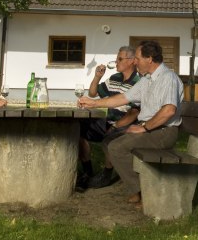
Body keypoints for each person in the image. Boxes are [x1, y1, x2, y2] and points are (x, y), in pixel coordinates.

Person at [77, 40, 183, 206]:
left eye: (138, 58)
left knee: (116, 147)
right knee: (108, 141)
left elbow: (169, 110)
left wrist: (144, 127)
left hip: (163, 131)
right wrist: (93, 103)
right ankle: (136, 185)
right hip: (151, 129)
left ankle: (143, 191)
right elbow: (123, 98)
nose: (135, 62)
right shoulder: (147, 79)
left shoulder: (167, 78)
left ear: (150, 59)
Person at [77, 46, 141, 191]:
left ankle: (106, 174)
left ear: (131, 61)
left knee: (110, 136)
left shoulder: (138, 82)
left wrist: (116, 125)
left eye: (119, 59)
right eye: (116, 58)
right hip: (109, 121)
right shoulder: (115, 78)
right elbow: (93, 93)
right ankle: (88, 171)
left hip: (126, 123)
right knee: (80, 127)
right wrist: (97, 76)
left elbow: (134, 113)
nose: (116, 62)